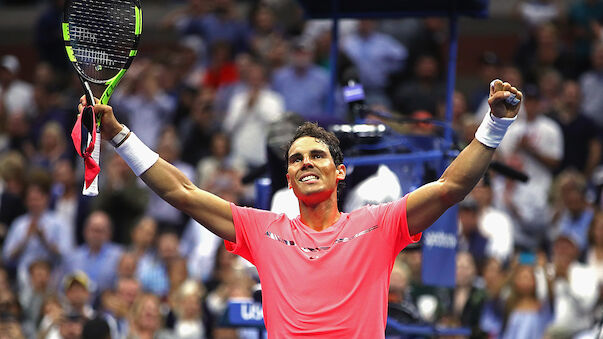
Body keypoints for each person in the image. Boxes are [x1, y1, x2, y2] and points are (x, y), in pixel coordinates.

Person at [78, 79, 522, 337]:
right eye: (296, 159)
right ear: (288, 178)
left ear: (340, 172)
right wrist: (118, 134)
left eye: (317, 156)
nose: (306, 162)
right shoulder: (262, 229)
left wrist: (495, 122)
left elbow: (451, 186)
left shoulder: (379, 224)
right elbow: (182, 193)